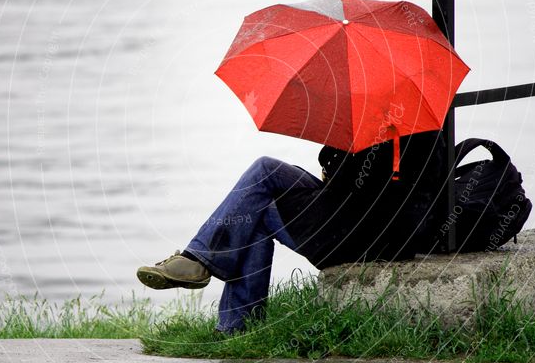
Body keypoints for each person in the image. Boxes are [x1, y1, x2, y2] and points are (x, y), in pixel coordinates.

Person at [136, 130, 446, 333]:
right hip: (362, 223)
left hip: (364, 238)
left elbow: (361, 188)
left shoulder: (393, 126)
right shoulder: (411, 124)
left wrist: (336, 161)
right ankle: (227, 314)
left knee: (255, 207)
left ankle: (219, 298)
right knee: (264, 172)